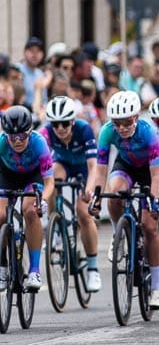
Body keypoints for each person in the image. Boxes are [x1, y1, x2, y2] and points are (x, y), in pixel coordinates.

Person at [87, 91, 159, 306]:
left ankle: (157, 288)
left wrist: (155, 199)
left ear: (136, 118)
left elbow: (157, 174)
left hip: (149, 171)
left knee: (150, 227)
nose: (121, 128)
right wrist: (96, 197)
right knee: (115, 192)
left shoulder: (148, 133)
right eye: (116, 123)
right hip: (127, 166)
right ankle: (118, 233)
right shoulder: (106, 132)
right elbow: (101, 170)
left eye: (126, 122)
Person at [39, 96, 100, 291]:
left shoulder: (84, 129)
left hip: (83, 169)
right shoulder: (46, 133)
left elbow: (94, 168)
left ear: (72, 121)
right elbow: (41, 167)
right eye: (56, 124)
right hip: (63, 164)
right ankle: (54, 227)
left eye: (65, 123)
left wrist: (89, 191)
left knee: (83, 213)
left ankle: (93, 269)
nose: (61, 129)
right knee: (52, 178)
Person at [0, 106, 54, 291]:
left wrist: (43, 200)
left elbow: (49, 182)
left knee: (30, 211)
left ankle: (34, 270)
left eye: (22, 136)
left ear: (30, 132)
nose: (17, 141)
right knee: (0, 215)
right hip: (7, 176)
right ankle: (3, 265)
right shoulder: (1, 143)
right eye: (12, 136)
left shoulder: (39, 143)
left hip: (32, 177)